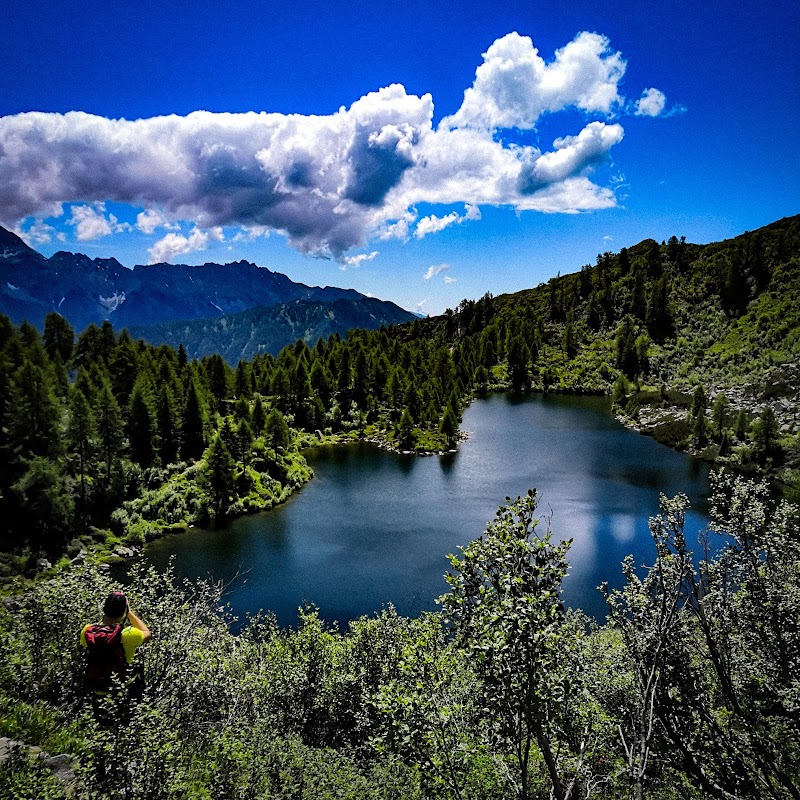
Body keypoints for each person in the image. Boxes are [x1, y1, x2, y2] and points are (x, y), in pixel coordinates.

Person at [81, 591, 151, 723]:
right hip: (122, 691)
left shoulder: (88, 631)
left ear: (104, 608)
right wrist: (129, 612)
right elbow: (147, 633)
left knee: (101, 728)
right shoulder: (128, 634)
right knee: (123, 728)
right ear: (123, 611)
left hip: (97, 690)